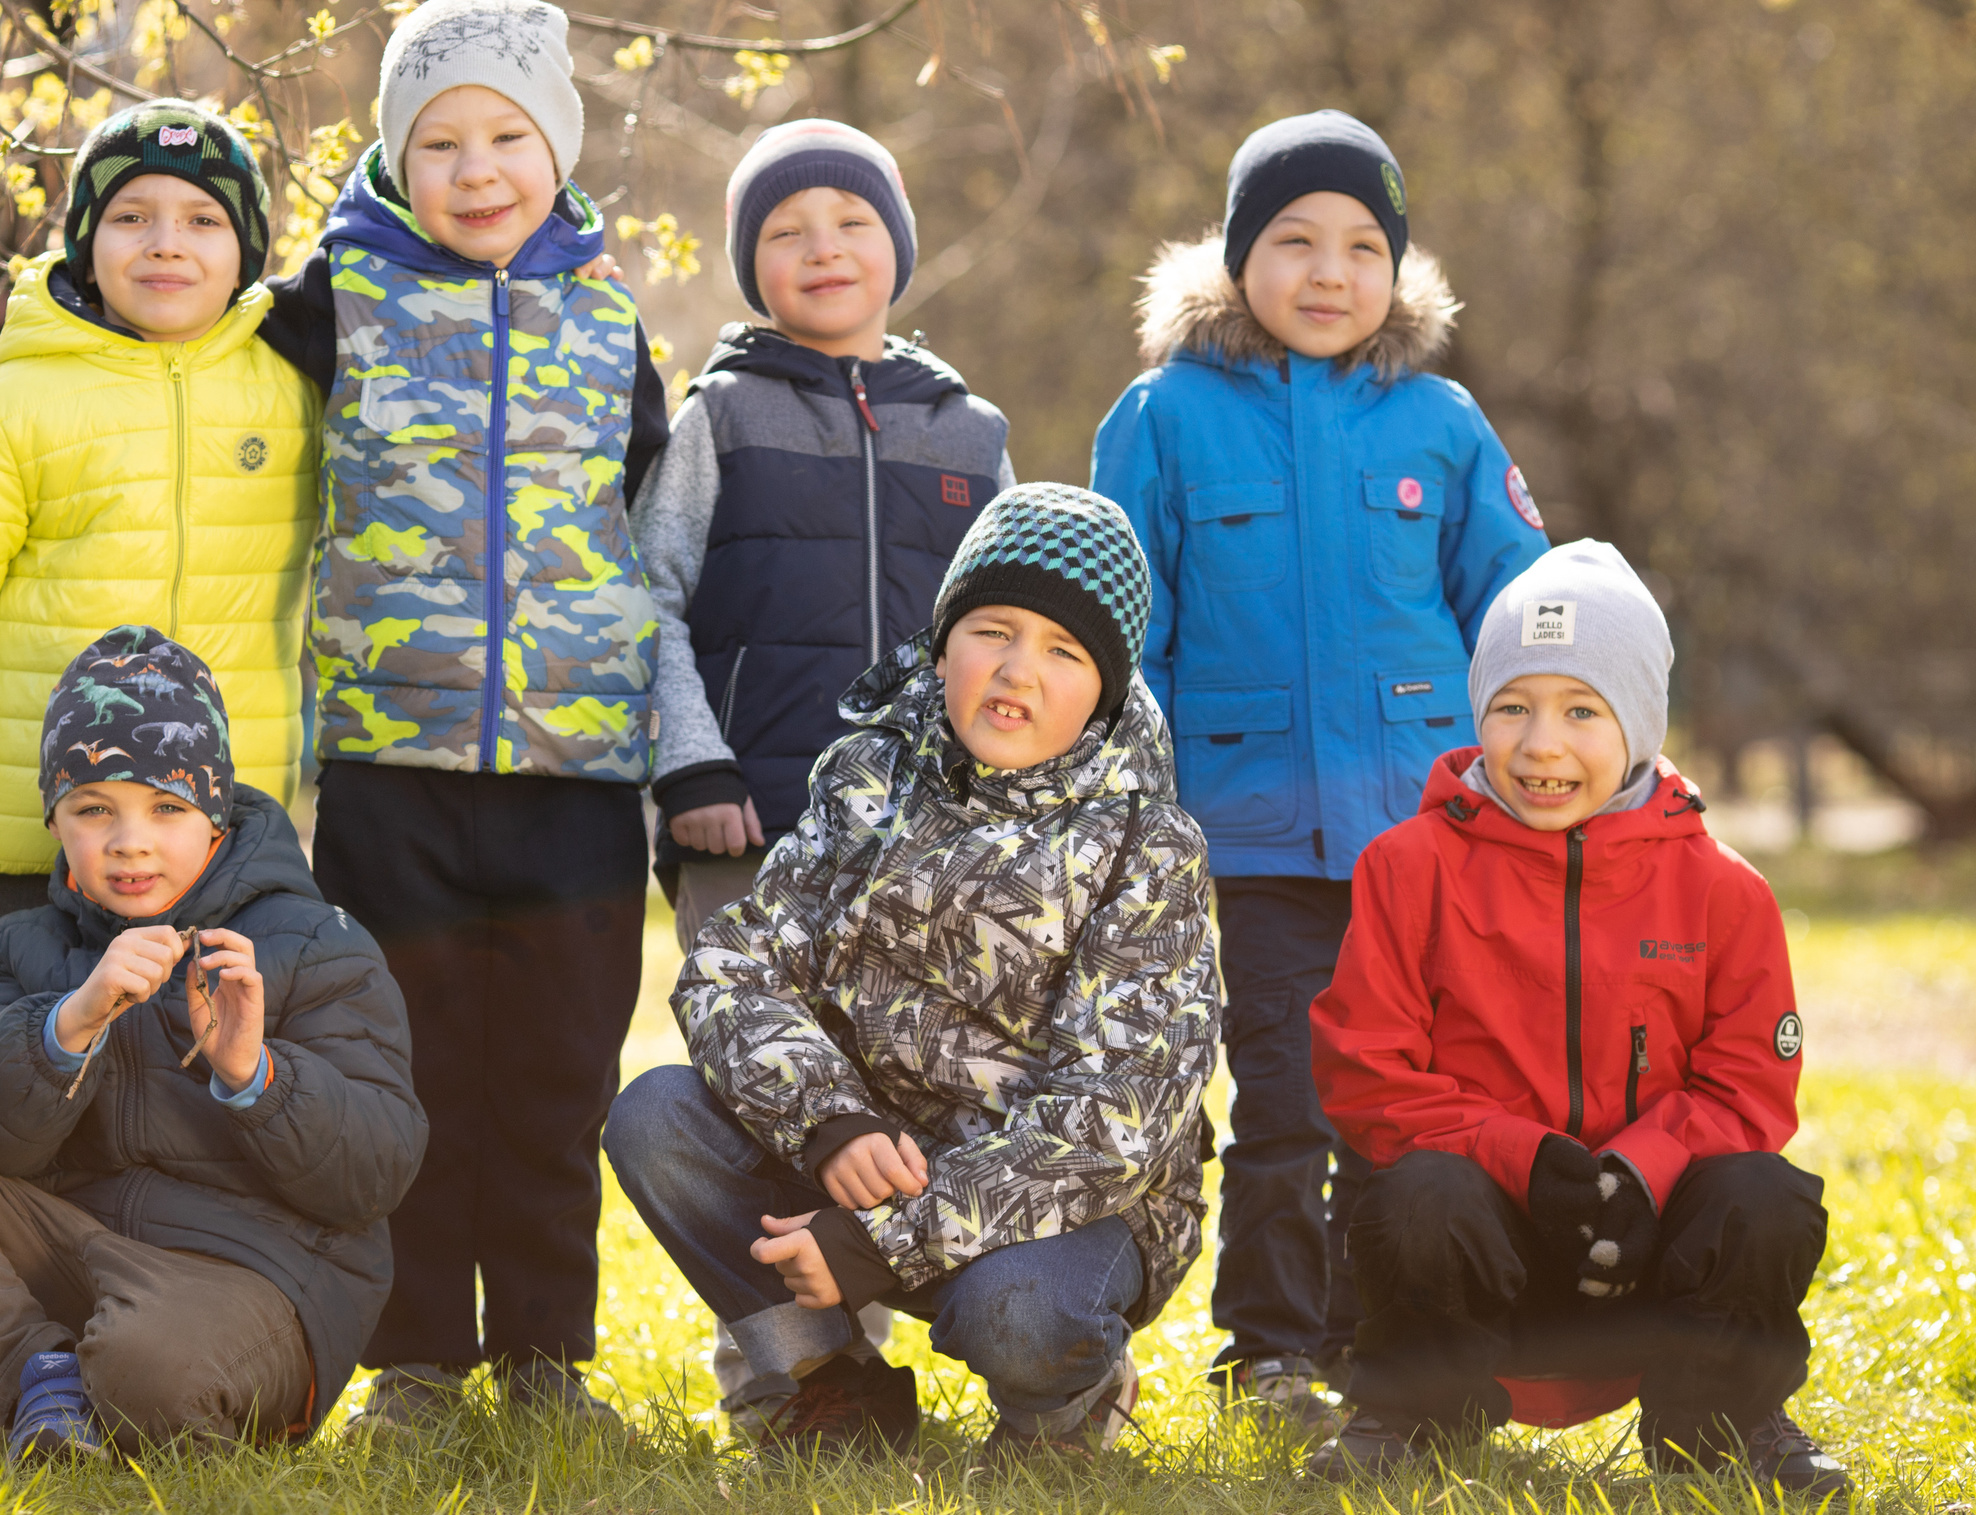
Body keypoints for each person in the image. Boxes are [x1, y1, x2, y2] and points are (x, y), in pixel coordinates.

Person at [0, 0, 665, 1428]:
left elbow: (650, 508)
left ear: (559, 149)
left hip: (581, 778)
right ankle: (420, 1364)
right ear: (395, 158)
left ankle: (543, 1358)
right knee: (412, 1065)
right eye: (439, 139)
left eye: (508, 136)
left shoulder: (611, 320)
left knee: (559, 1077)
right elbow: (180, 359)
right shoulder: (328, 305)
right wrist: (16, 362)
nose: (476, 170)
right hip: (392, 767)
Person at [1088, 109, 1548, 1425]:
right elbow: (1128, 636)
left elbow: (1515, 613)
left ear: (1397, 269)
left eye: (1362, 244)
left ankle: (1390, 1343)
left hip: (1425, 842)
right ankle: (1272, 1353)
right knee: (1289, 1095)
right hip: (1252, 839)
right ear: (1237, 259)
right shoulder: (1164, 417)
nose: (1330, 271)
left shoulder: (1440, 422)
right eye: (1294, 240)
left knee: (1410, 1103)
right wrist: (1148, 805)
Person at [607, 483, 1219, 1461]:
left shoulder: (1146, 845)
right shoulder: (867, 780)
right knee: (656, 1119)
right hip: (879, 1155)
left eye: (1064, 652)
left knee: (1021, 1314)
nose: (1018, 670)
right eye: (992, 631)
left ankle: (1063, 1410)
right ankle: (832, 1386)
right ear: (942, 645)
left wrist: (884, 1241)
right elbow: (735, 962)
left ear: (1103, 689)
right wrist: (827, 1119)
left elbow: (1114, 1127)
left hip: (1062, 1209)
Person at [1304, 541, 1850, 1497]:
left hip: (1654, 1260)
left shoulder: (1727, 893)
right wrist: (1521, 1156)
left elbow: (1749, 1089)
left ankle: (1723, 1420)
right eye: (1511, 706)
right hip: (1486, 1249)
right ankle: (1410, 1412)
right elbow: (1365, 1074)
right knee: (1416, 1195)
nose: (1540, 744)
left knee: (1767, 1196)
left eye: (1582, 710)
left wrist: (1645, 1168)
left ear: (1638, 725)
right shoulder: (1406, 867)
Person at [0, 627, 425, 1462]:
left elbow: (378, 1171)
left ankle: (108, 1385)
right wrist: (70, 1022)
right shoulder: (21, 947)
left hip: (249, 1276)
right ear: (55, 821)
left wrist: (256, 1073)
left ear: (215, 817)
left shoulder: (318, 942)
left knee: (147, 1368)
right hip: (71, 1244)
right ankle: (40, 1373)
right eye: (94, 808)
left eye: (166, 808)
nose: (129, 840)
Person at [630, 117, 1013, 1429]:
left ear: (896, 246)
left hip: (927, 853)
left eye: (850, 222)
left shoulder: (969, 430)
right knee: (765, 1096)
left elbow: (1016, 638)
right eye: (785, 231)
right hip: (752, 832)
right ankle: (797, 1367)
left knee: (926, 1087)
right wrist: (690, 766)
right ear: (753, 266)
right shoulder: (718, 417)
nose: (821, 248)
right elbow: (650, 600)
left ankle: (1022, 1337)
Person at [0, 100, 319, 1040]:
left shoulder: (296, 391)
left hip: (217, 837)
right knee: (18, 1079)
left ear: (249, 253)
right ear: (84, 240)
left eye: (202, 220)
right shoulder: (17, 402)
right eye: (130, 216)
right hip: (30, 843)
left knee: (191, 1105)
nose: (165, 244)